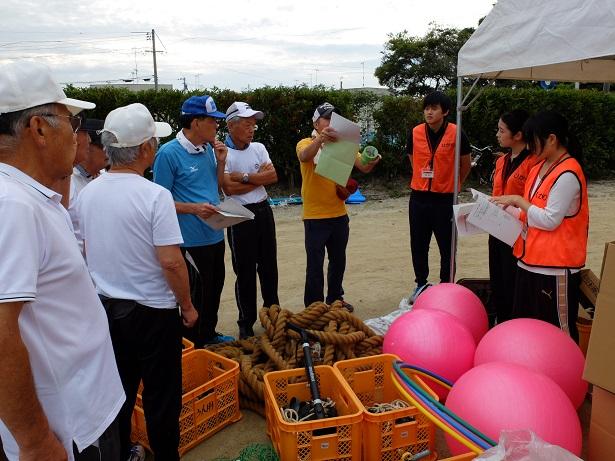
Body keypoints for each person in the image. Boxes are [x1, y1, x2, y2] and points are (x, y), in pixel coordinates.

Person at [0, 61, 125, 461]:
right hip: (66, 426)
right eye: (72, 123)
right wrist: (35, 441)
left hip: (80, 411)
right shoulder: (14, 206)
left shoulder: (31, 195)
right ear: (38, 129)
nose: (78, 137)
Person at [77, 103, 198, 460]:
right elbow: (171, 262)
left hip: (107, 309)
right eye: (153, 142)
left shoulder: (89, 192)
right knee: (162, 397)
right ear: (145, 149)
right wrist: (188, 307)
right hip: (153, 312)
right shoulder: (154, 195)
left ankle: (120, 452)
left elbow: (85, 250)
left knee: (120, 393)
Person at [493, 111, 588, 342]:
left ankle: (568, 377)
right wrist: (500, 209)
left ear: (552, 139)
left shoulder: (568, 172)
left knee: (558, 336)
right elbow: (530, 213)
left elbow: (549, 219)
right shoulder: (538, 168)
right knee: (527, 332)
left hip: (555, 268)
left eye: (534, 140)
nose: (531, 146)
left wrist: (516, 200)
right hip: (529, 262)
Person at [154, 95, 234, 346]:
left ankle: (209, 334)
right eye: (213, 120)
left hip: (214, 234)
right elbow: (159, 202)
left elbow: (217, 186)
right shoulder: (169, 153)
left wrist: (221, 163)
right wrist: (193, 209)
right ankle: (193, 345)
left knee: (214, 289)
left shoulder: (210, 149)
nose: (217, 125)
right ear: (196, 122)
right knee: (195, 296)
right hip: (189, 240)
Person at [296, 102, 380, 309]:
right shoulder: (305, 142)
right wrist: (320, 140)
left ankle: (335, 298)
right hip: (314, 215)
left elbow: (363, 166)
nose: (332, 122)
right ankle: (314, 306)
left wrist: (373, 160)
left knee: (338, 261)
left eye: (335, 118)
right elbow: (303, 156)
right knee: (315, 265)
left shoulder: (345, 143)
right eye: (327, 118)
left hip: (338, 213)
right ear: (316, 123)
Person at [406, 91, 472, 302]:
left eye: (434, 108)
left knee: (447, 246)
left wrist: (454, 184)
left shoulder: (456, 132)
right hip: (419, 197)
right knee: (418, 244)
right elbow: (412, 158)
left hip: (445, 199)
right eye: (426, 108)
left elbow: (465, 163)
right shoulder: (415, 132)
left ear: (445, 111)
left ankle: (446, 287)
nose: (429, 112)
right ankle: (420, 284)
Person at [222, 102, 279, 339]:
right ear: (231, 125)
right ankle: (245, 320)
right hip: (239, 214)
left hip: (264, 210)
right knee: (244, 270)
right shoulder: (223, 153)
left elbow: (273, 176)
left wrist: (244, 177)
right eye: (247, 124)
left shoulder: (258, 147)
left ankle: (272, 314)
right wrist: (258, 179)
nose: (252, 128)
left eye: (253, 124)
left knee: (269, 266)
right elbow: (229, 188)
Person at [489, 109, 537, 324]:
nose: (497, 134)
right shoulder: (502, 161)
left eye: (501, 130)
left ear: (518, 135)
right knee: (498, 281)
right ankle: (501, 321)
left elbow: (533, 203)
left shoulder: (533, 163)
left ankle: (514, 325)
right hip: (497, 230)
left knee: (513, 283)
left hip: (519, 234)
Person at [68, 118, 108, 252]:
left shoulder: (105, 177)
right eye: (103, 145)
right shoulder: (67, 181)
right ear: (88, 145)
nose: (108, 150)